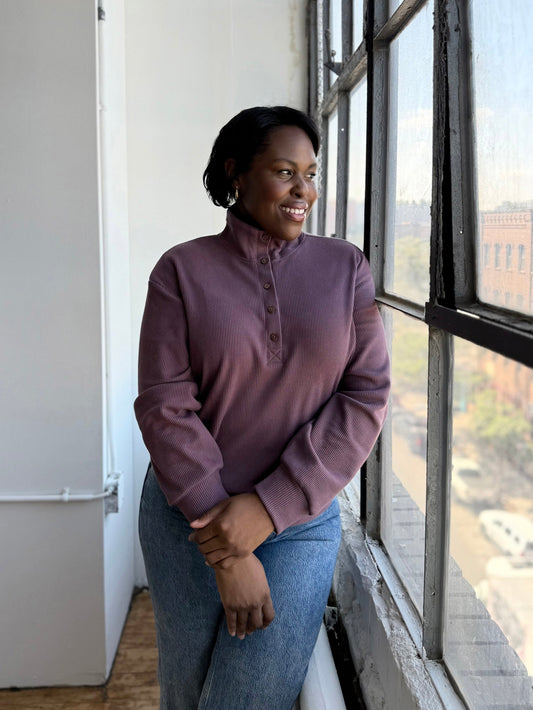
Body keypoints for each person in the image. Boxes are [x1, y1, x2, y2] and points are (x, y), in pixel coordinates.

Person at [135, 106, 390, 710]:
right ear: (237, 173)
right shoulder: (181, 270)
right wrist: (224, 542)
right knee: (188, 691)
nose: (304, 190)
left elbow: (365, 395)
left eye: (311, 173)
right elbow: (165, 405)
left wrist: (269, 508)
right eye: (284, 172)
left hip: (300, 522)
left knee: (249, 699)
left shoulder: (345, 267)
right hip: (187, 518)